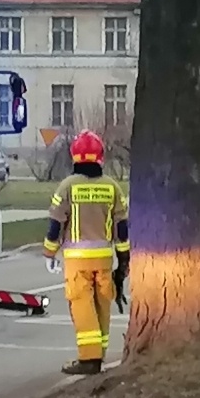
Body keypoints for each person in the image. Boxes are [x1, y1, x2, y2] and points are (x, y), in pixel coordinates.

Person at [44, 130, 129, 375]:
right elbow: (122, 229)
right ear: (100, 156)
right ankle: (99, 353)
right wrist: (123, 260)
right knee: (102, 306)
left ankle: (89, 358)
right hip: (104, 259)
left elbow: (56, 225)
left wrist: (49, 253)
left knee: (82, 306)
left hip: (77, 261)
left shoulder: (67, 186)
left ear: (75, 156)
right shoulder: (112, 187)